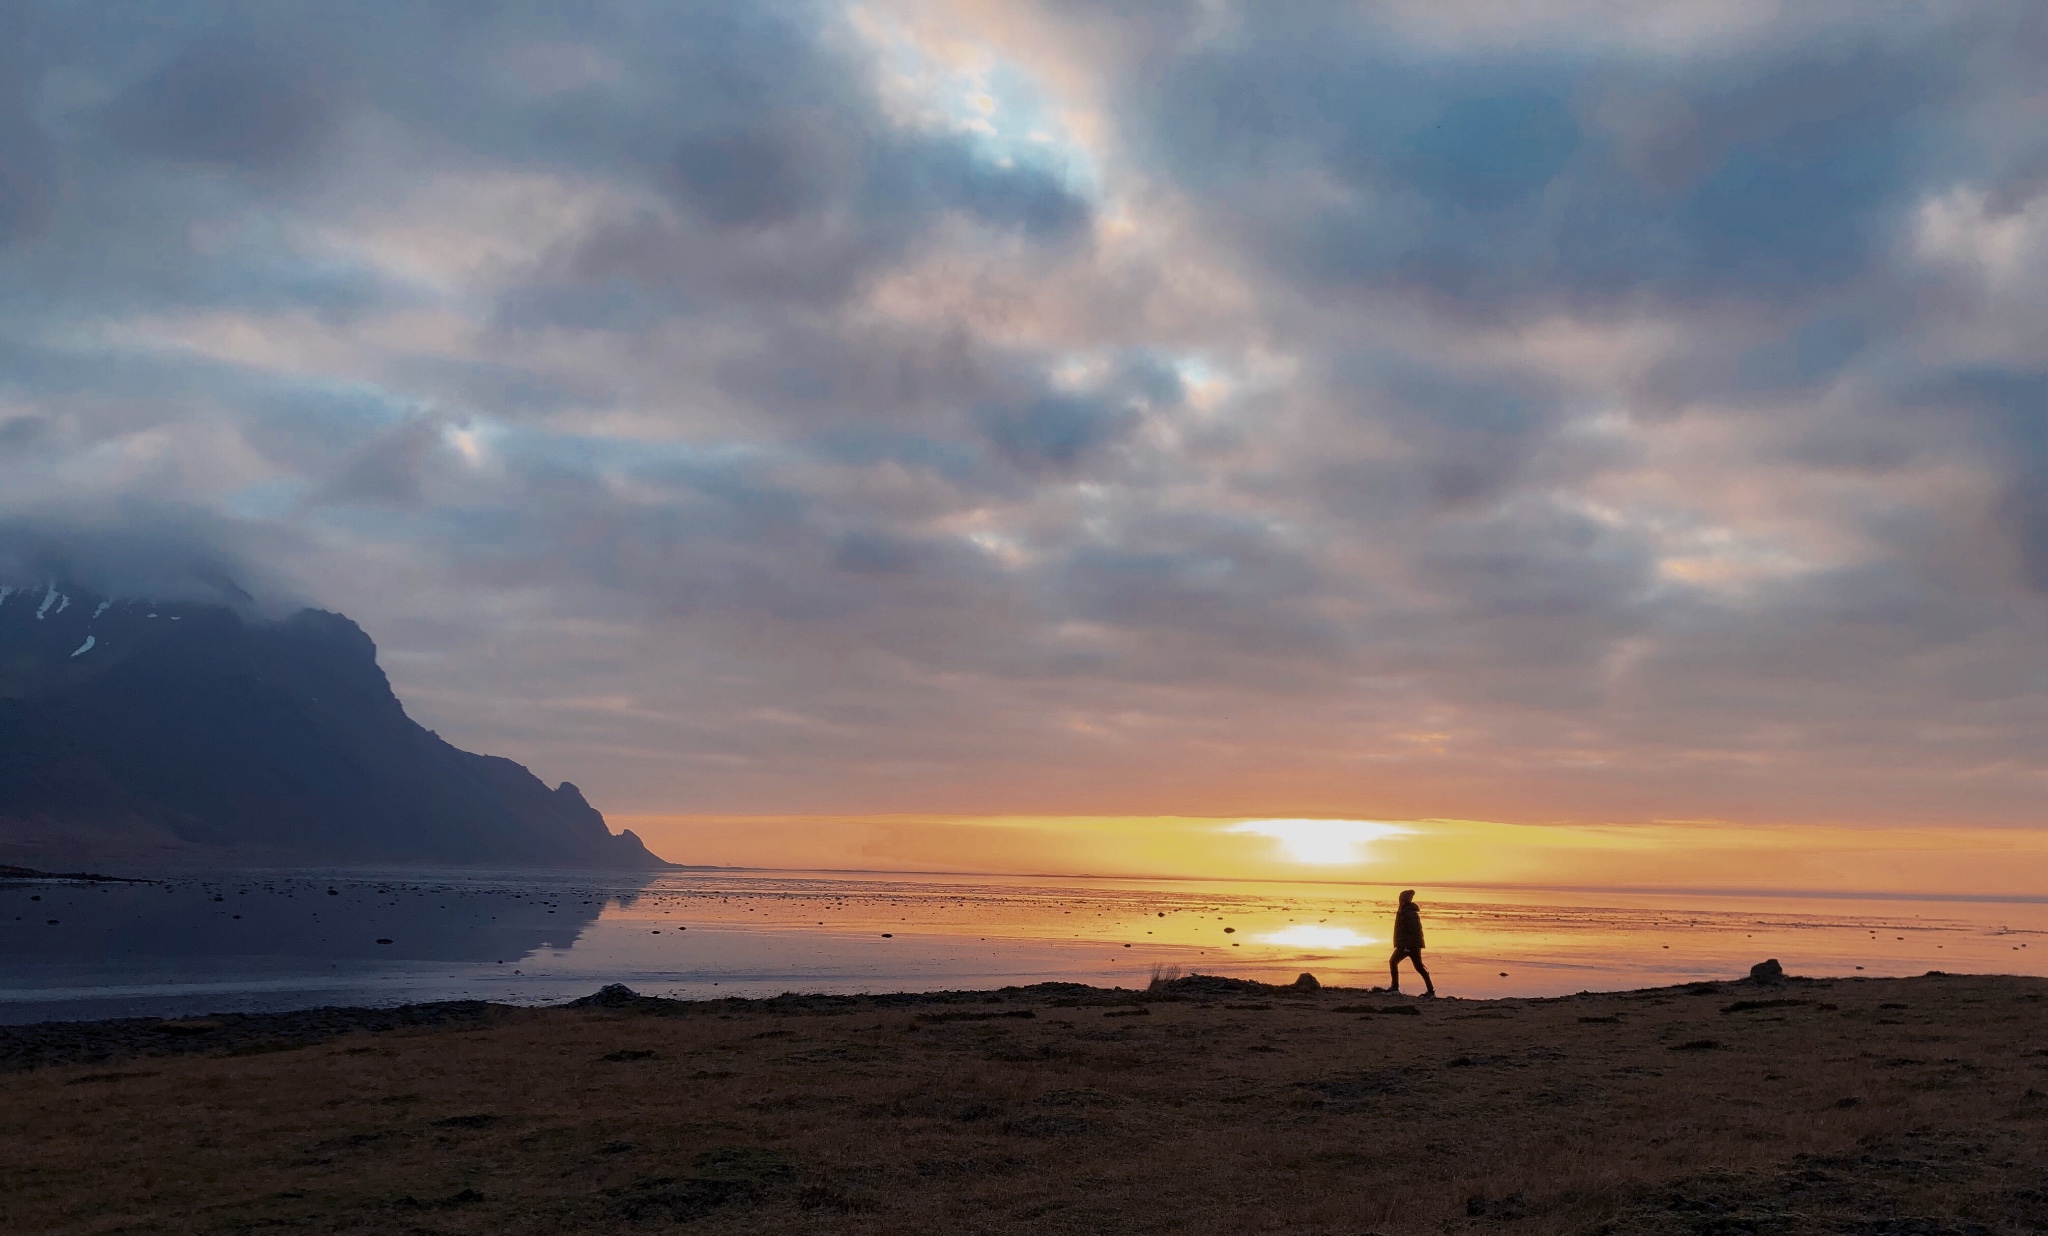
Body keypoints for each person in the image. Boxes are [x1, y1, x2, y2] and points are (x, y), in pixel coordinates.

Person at [1388, 889, 1435, 996]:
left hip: (1409, 945)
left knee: (1394, 962)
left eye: (1401, 898)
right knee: (1419, 967)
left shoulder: (1409, 913)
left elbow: (1414, 931)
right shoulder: (1403, 911)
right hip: (1407, 944)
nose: (1399, 900)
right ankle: (1430, 990)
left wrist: (1407, 946)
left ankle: (1395, 988)